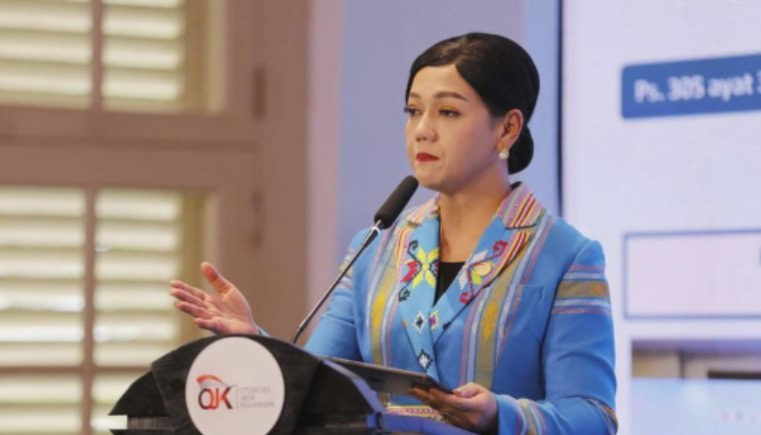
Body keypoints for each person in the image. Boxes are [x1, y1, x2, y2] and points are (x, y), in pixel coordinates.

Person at [170, 32, 617, 434]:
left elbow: (594, 415)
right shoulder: (376, 247)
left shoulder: (565, 255)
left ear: (507, 128)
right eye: (413, 111)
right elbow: (321, 384)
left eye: (447, 112)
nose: (422, 130)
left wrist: (500, 415)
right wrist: (257, 343)